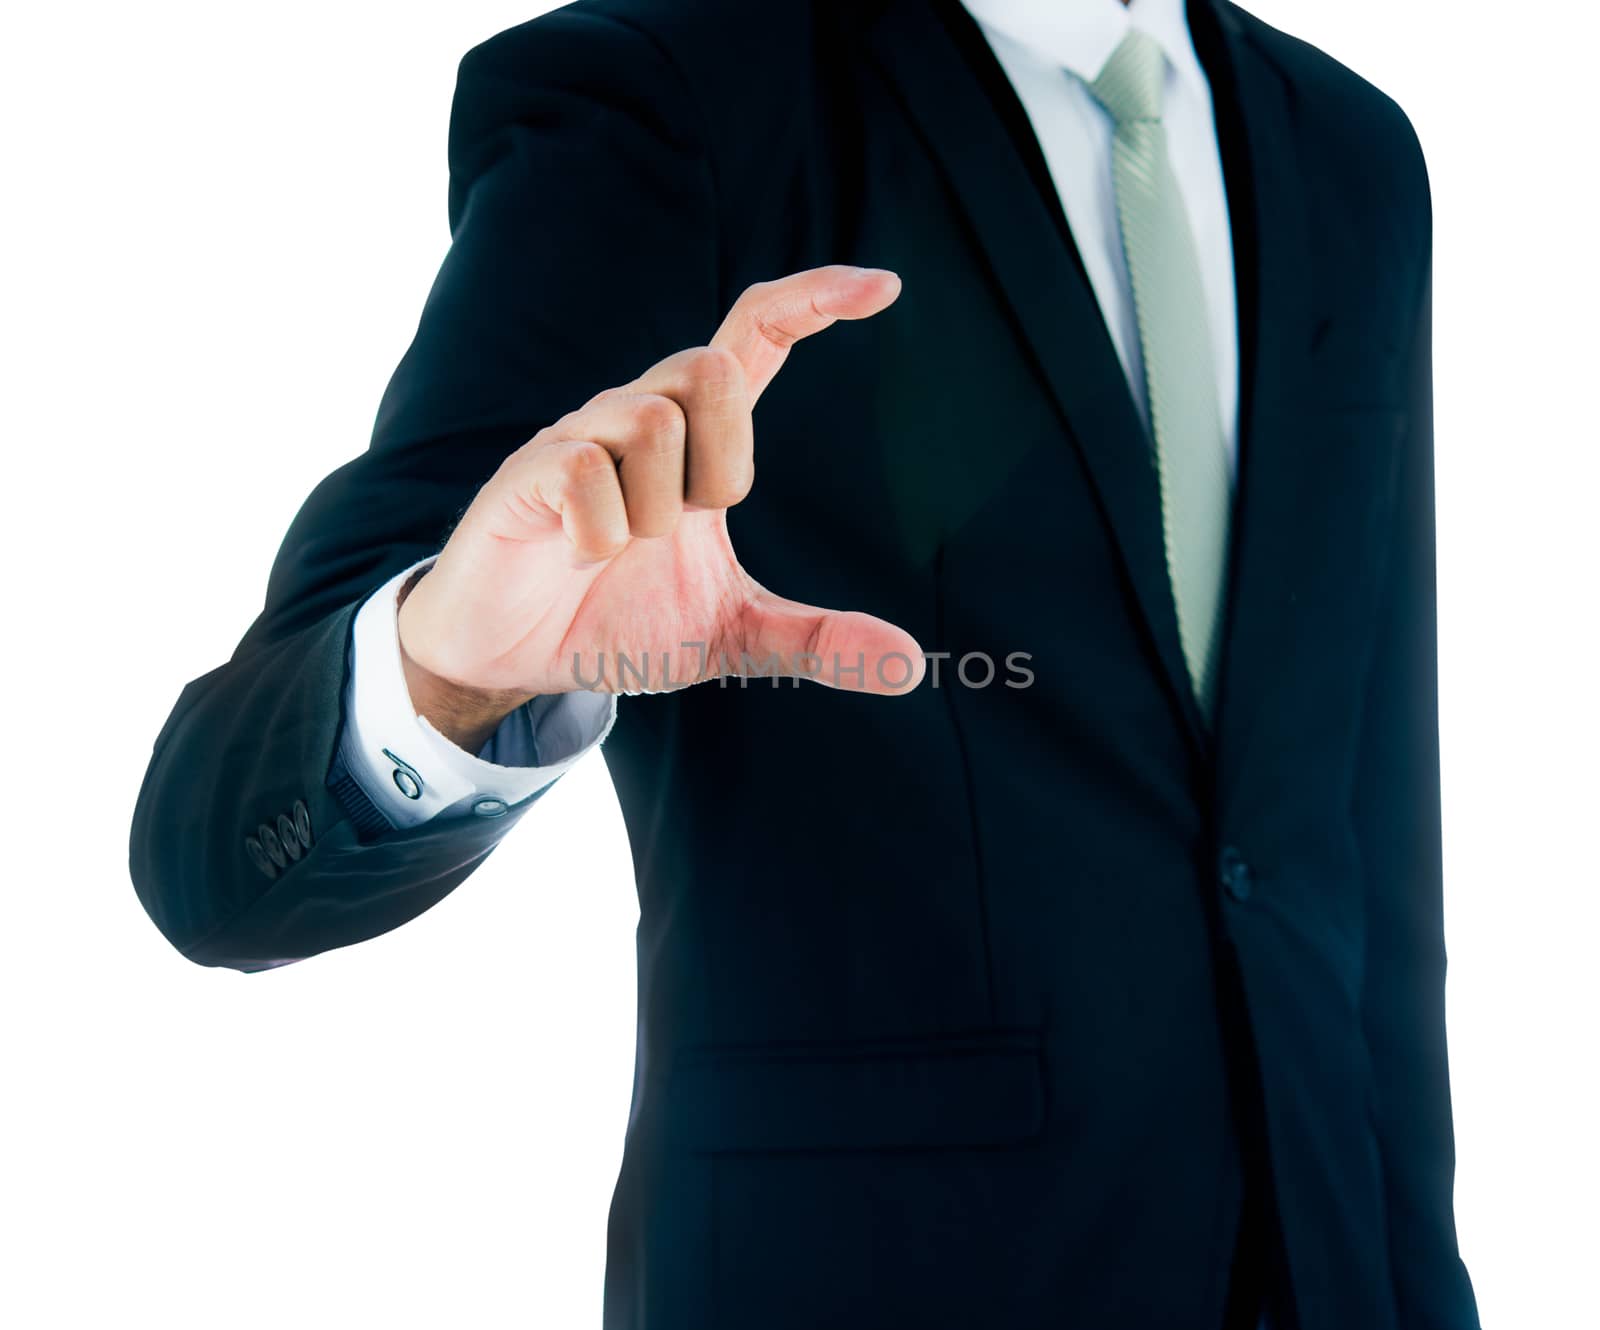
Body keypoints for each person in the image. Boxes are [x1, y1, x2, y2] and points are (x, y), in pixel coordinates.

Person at [128, 1, 1481, 1326]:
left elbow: (1363, 850)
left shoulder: (1351, 154)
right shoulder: (674, 94)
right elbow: (216, 850)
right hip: (879, 1275)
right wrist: (447, 675)